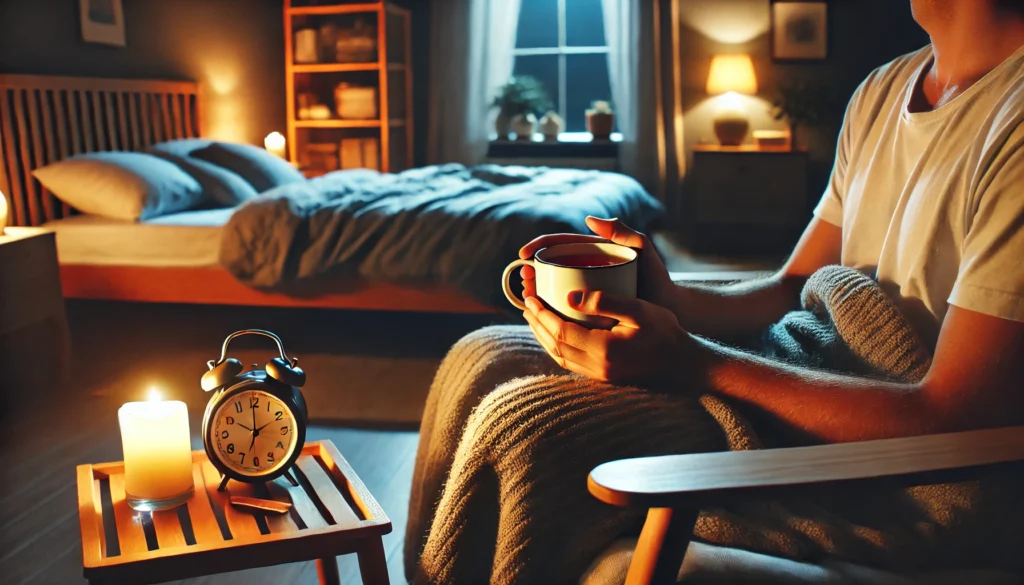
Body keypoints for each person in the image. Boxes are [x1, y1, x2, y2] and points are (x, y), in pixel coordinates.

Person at [519, 0, 1024, 444]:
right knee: (495, 353)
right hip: (809, 366)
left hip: (880, 449)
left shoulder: (1012, 120)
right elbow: (794, 286)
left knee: (525, 424)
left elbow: (956, 417)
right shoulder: (881, 91)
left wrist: (693, 363)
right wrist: (668, 299)